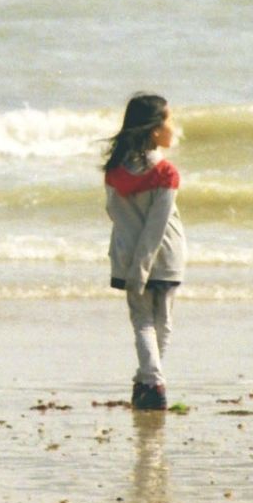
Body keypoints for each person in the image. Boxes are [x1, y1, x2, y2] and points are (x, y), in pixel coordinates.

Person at [102, 93, 186, 411]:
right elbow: (157, 225)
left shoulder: (114, 170)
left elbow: (116, 215)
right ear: (154, 130)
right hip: (164, 257)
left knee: (144, 322)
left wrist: (133, 264)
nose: (173, 127)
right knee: (159, 323)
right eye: (169, 120)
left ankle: (146, 380)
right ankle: (153, 383)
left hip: (128, 256)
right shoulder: (165, 172)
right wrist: (142, 267)